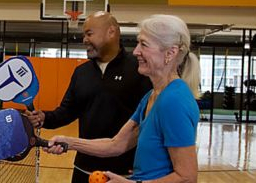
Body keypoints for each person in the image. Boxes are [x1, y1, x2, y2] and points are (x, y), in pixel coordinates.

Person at [45, 14, 200, 183]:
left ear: (170, 53)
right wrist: (68, 142)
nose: (136, 51)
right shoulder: (152, 96)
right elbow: (116, 144)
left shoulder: (174, 101)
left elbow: (187, 177)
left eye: (144, 45)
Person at [25, 11, 152, 182]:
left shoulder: (140, 69)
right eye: (84, 34)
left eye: (89, 33)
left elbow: (150, 120)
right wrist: (44, 118)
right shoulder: (81, 73)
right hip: (84, 168)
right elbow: (67, 112)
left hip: (126, 173)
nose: (84, 39)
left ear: (111, 32)